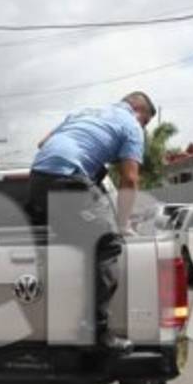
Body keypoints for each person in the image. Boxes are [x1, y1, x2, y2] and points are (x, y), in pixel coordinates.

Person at [28, 91, 156, 353]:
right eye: (146, 123)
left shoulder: (83, 112)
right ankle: (98, 332)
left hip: (37, 180)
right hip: (67, 181)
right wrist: (121, 225)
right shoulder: (131, 125)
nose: (143, 129)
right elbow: (130, 180)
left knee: (69, 239)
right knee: (107, 244)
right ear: (139, 112)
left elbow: (43, 143)